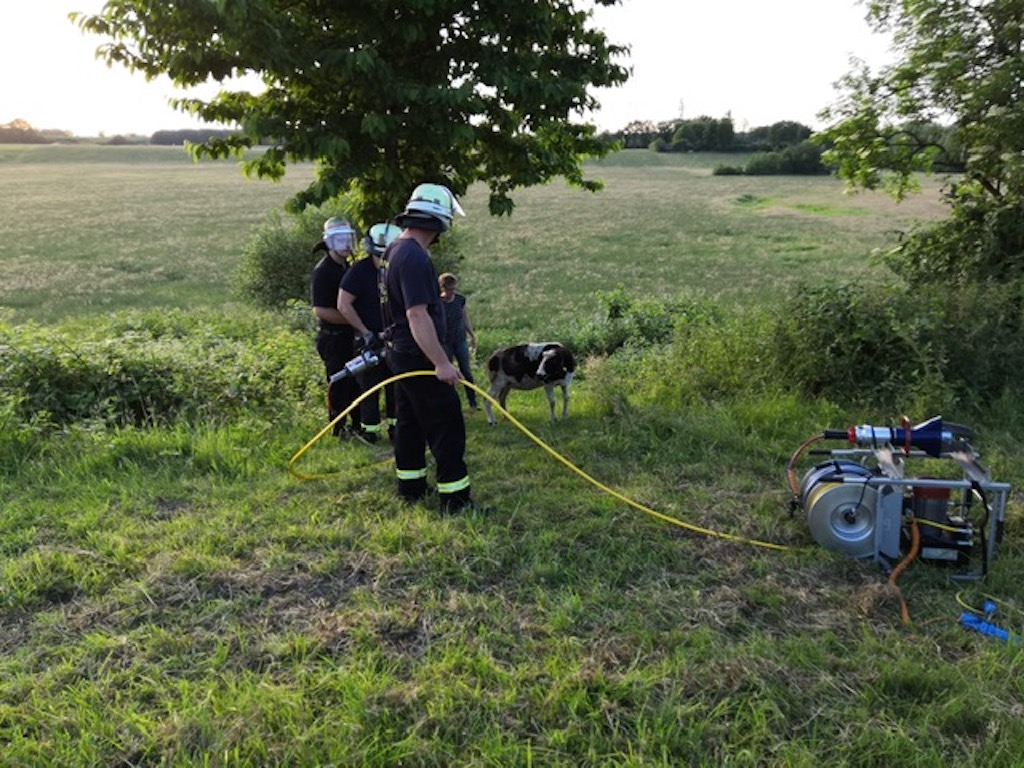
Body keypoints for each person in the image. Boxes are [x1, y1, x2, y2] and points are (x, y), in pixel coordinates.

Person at [381, 183, 481, 512]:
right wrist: (440, 362)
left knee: (409, 423)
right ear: (440, 220)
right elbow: (416, 313)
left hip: (401, 353)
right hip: (419, 356)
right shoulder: (412, 256)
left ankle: (410, 488)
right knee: (446, 424)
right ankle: (456, 501)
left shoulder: (396, 248)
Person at [338, 222, 402, 444]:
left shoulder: (397, 270)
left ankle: (397, 428)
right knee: (370, 388)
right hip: (369, 341)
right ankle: (370, 431)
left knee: (397, 385)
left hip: (394, 338)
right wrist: (365, 332)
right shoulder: (359, 272)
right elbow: (343, 304)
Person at [310, 217, 360, 436]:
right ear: (330, 242)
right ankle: (337, 428)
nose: (347, 244)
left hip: (352, 337)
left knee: (356, 383)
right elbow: (320, 310)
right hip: (333, 338)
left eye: (349, 238)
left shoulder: (347, 267)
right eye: (341, 239)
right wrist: (354, 321)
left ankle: (357, 426)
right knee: (338, 383)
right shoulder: (323, 271)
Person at [438, 272, 479, 411]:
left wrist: (472, 335)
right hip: (445, 342)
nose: (452, 292)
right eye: (449, 289)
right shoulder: (438, 303)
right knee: (448, 373)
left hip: (460, 340)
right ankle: (450, 403)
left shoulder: (460, 300)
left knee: (466, 371)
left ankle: (473, 402)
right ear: (442, 289)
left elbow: (464, 317)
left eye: (454, 289)